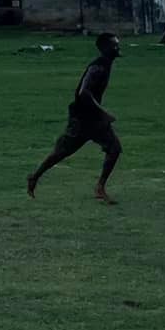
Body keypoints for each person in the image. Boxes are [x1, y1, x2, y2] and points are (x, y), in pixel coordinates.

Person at [28, 32, 124, 204]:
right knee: (62, 152)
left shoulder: (106, 64)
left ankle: (100, 188)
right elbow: (83, 93)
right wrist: (103, 113)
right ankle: (34, 177)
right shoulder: (98, 67)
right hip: (82, 119)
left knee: (114, 148)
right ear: (105, 48)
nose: (118, 47)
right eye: (114, 44)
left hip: (94, 118)